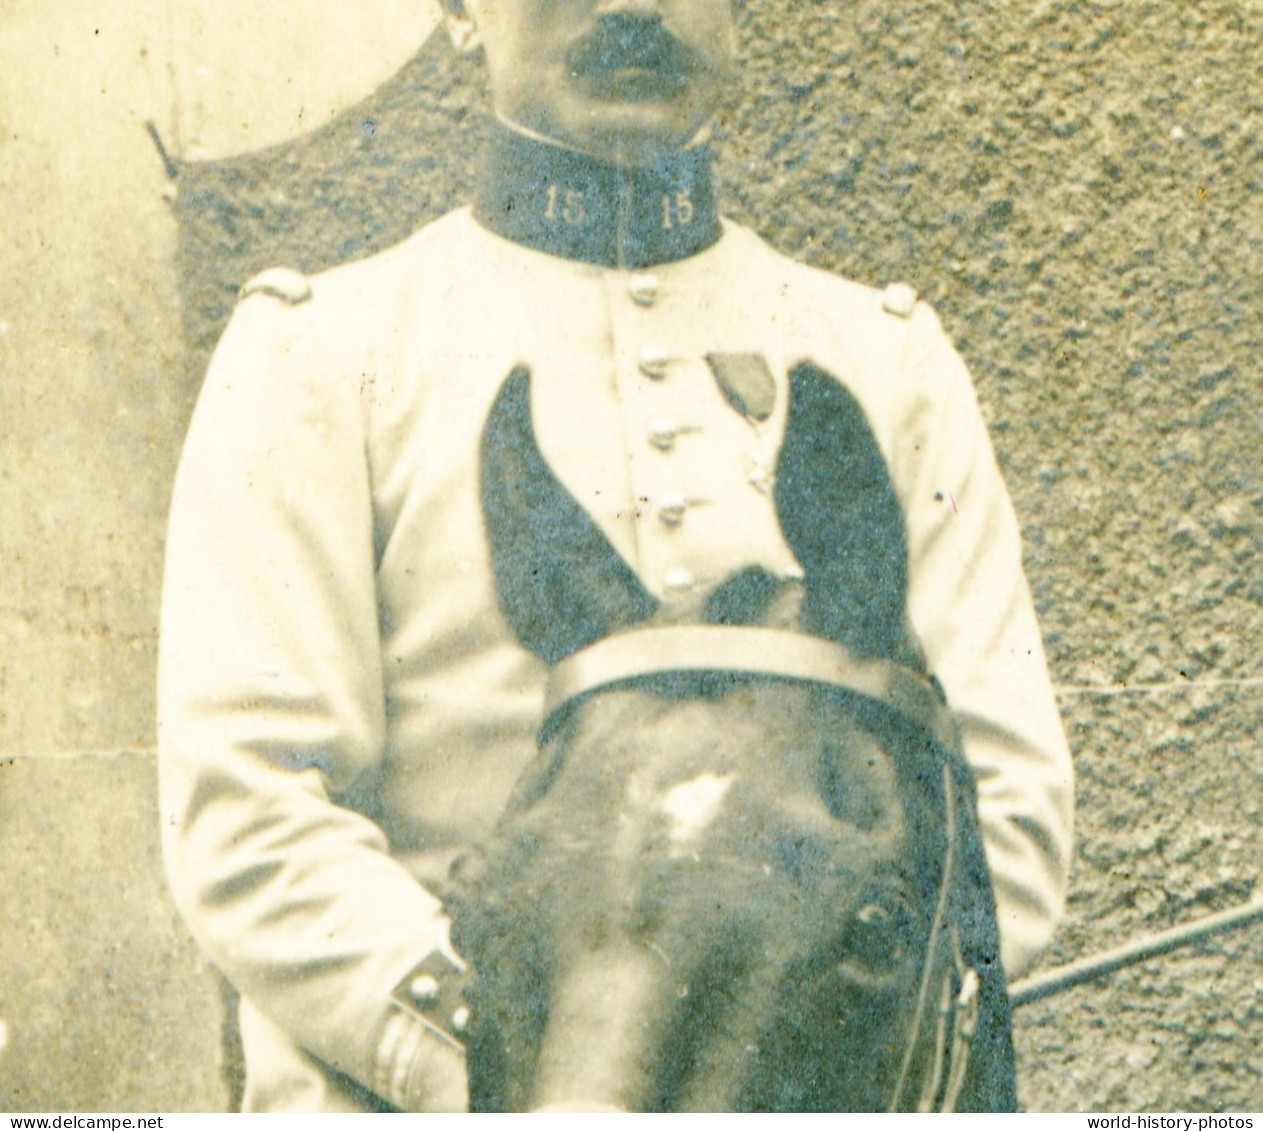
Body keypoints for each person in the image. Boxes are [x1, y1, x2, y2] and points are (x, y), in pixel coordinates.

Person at [158, 0, 1074, 1112]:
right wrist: (532, 1069)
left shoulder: (886, 367)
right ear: (455, 10)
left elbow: (1001, 817)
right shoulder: (321, 360)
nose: (632, 7)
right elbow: (253, 813)